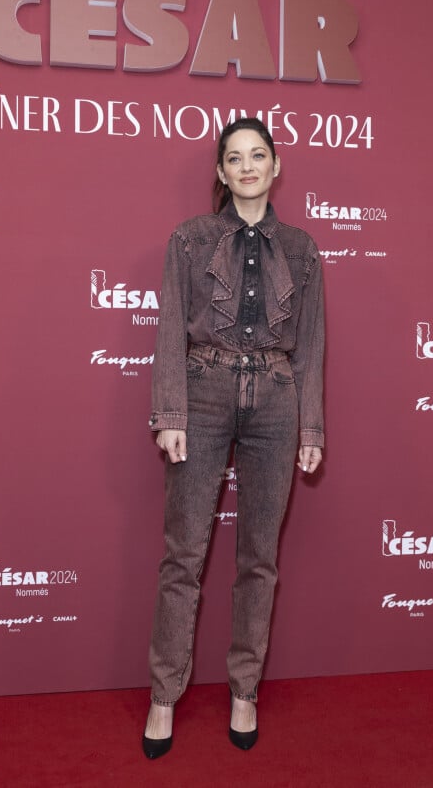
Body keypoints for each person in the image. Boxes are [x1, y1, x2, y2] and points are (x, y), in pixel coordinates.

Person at [143, 117, 324, 759]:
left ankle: (244, 688)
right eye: (234, 158)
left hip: (277, 402)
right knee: (183, 555)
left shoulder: (302, 249)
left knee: (259, 560)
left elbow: (310, 350)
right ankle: (164, 694)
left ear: (276, 167)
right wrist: (171, 414)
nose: (247, 166)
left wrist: (310, 427)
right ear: (220, 173)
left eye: (259, 156)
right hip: (203, 393)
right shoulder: (189, 241)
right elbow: (169, 329)